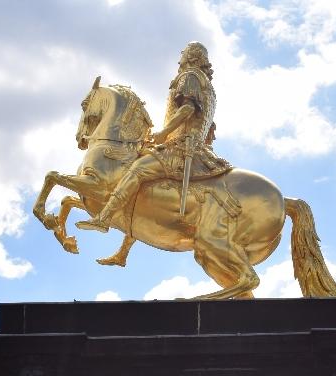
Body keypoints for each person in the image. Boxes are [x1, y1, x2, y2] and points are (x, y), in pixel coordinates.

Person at [77, 42, 225, 235]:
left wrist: (163, 134)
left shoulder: (190, 77)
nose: (180, 58)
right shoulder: (210, 89)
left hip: (180, 149)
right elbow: (209, 130)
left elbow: (187, 109)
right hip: (199, 152)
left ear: (191, 56)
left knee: (137, 169)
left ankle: (104, 219)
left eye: (183, 53)